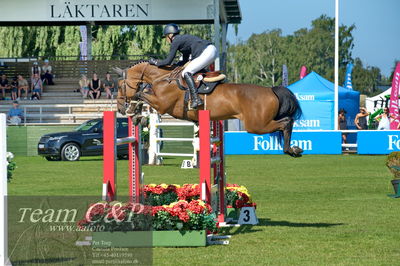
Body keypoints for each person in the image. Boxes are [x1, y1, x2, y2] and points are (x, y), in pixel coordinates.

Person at [148, 23, 218, 109]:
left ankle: (196, 99)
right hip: (211, 50)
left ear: (170, 35)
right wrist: (176, 66)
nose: (166, 40)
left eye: (166, 37)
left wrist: (155, 62)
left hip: (207, 52)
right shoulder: (182, 40)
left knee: (186, 72)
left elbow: (168, 61)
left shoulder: (176, 41)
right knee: (192, 70)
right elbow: (184, 60)